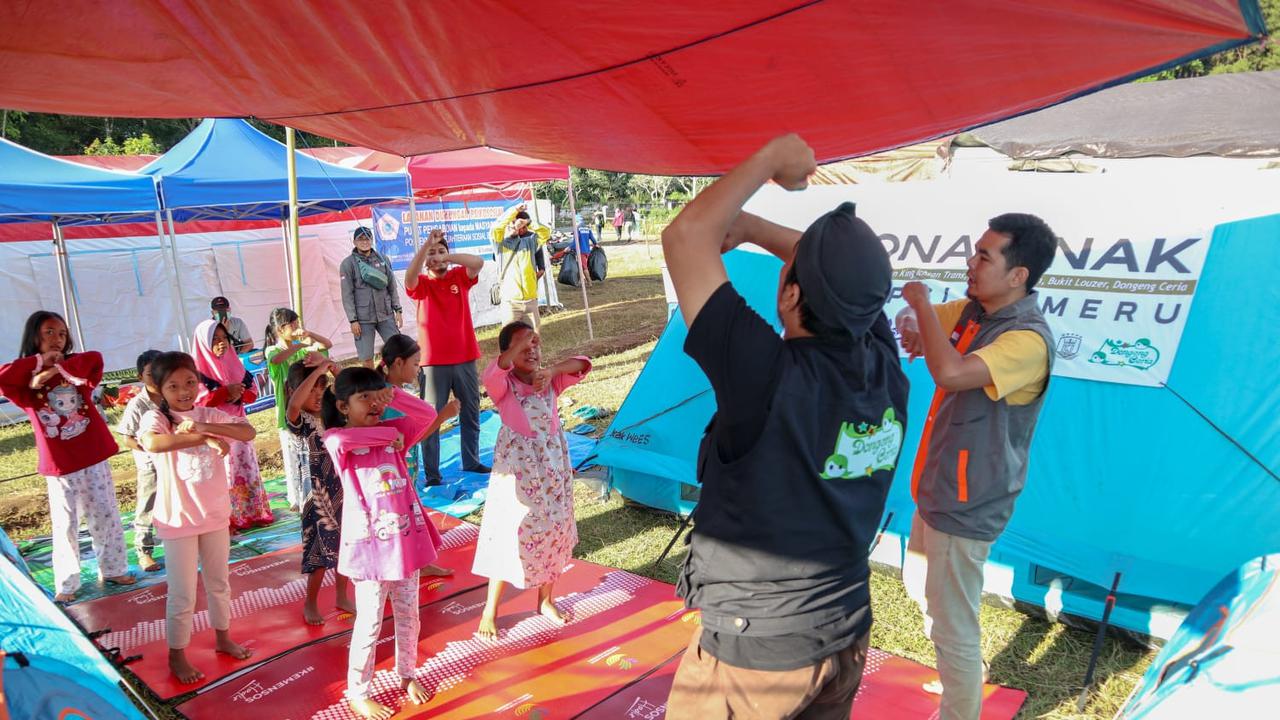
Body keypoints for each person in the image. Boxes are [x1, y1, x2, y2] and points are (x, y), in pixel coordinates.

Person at [660, 134, 909, 719]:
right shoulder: (881, 361)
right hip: (843, 631)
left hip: (757, 656)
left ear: (791, 293)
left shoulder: (764, 377)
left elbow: (684, 236)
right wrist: (750, 227)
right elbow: (848, 286)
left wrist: (771, 158)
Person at [896, 213, 1057, 720]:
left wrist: (919, 303)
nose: (971, 262)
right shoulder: (975, 312)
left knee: (952, 623)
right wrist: (914, 324)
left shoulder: (1027, 341)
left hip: (970, 499)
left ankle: (959, 701)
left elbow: (948, 370)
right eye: (975, 251)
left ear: (1018, 275)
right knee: (921, 586)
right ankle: (962, 672)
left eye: (985, 256)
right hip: (937, 486)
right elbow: (927, 332)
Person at [321, 367, 457, 720]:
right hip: (370, 553)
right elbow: (336, 441)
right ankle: (358, 691)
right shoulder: (342, 442)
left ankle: (407, 673)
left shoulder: (393, 432)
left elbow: (426, 415)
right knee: (369, 622)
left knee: (409, 615)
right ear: (342, 406)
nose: (373, 404)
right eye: (363, 397)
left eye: (376, 396)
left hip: (405, 547)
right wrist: (385, 437)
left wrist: (391, 395)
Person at [0, 311, 135, 603]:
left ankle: (113, 568)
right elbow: (4, 377)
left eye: (62, 333)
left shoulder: (76, 370)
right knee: (65, 526)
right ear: (34, 337)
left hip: (94, 457)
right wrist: (39, 365)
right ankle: (67, 582)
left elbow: (95, 360)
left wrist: (54, 371)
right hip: (61, 467)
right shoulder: (26, 387)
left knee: (106, 515)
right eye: (49, 332)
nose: (57, 339)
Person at [139, 351, 256, 683]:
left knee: (219, 582)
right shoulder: (156, 418)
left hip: (215, 515)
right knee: (183, 593)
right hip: (178, 521)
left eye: (190, 382)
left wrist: (206, 426)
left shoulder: (208, 413)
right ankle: (177, 655)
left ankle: (223, 637)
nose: (184, 391)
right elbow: (153, 443)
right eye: (173, 386)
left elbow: (247, 433)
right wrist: (203, 437)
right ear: (160, 389)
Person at [473, 321, 591, 641]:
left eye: (534, 344)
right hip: (518, 475)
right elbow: (490, 374)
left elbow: (583, 363)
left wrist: (551, 370)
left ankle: (546, 600)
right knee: (511, 536)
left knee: (554, 531)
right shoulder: (503, 385)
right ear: (507, 354)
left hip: (553, 471)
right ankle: (490, 610)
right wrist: (518, 347)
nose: (531, 350)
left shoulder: (549, 382)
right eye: (522, 346)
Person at [403, 230, 490, 483]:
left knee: (471, 411)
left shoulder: (458, 277)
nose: (438, 257)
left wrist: (446, 256)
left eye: (442, 251)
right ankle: (432, 473)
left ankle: (471, 461)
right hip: (432, 363)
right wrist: (425, 251)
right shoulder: (422, 285)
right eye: (433, 253)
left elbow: (478, 263)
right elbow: (409, 279)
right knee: (431, 417)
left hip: (464, 357)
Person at [283, 358, 354, 626]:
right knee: (319, 553)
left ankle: (341, 595)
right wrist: (318, 372)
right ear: (295, 389)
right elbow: (294, 404)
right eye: (310, 389)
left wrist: (333, 369)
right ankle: (310, 603)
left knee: (345, 545)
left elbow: (350, 390)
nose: (315, 395)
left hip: (342, 489)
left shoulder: (334, 417)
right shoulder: (299, 421)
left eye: (320, 390)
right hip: (315, 497)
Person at [191, 319, 273, 531]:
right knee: (223, 474)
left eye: (224, 338)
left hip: (239, 426)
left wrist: (239, 393)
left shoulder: (235, 363)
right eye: (215, 339)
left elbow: (252, 393)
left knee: (244, 468)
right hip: (215, 430)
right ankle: (227, 519)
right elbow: (198, 402)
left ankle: (251, 513)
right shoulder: (196, 372)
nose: (221, 343)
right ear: (204, 343)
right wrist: (225, 393)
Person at [264, 308, 333, 511]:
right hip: (289, 411)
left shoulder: (302, 350)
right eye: (291, 324)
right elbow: (276, 360)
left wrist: (309, 336)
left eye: (296, 323)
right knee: (292, 456)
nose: (295, 327)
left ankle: (315, 492)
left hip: (309, 411)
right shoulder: (273, 351)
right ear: (279, 329)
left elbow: (326, 346)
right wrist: (301, 344)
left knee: (310, 453)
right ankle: (296, 497)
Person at [114, 349, 166, 573]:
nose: (156, 376)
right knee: (148, 506)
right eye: (149, 373)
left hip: (174, 461)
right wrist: (151, 448)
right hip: (150, 465)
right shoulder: (138, 404)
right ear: (139, 377)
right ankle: (144, 551)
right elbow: (127, 438)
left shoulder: (171, 395)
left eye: (160, 370)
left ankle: (187, 542)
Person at [340, 226, 402, 369]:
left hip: (385, 314)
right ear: (354, 241)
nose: (364, 241)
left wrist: (398, 309)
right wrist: (353, 320)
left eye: (367, 238)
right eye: (360, 239)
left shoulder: (383, 259)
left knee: (397, 351)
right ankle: (373, 388)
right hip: (363, 319)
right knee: (366, 357)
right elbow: (347, 294)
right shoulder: (348, 264)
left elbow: (392, 286)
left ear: (372, 240)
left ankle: (398, 386)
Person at [492, 207, 549, 332]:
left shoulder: (529, 242)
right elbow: (495, 228)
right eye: (512, 223)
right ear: (506, 226)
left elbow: (546, 233)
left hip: (531, 302)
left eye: (518, 224)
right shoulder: (499, 245)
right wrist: (514, 211)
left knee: (534, 342)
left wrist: (527, 222)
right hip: (511, 304)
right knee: (510, 345)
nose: (516, 226)